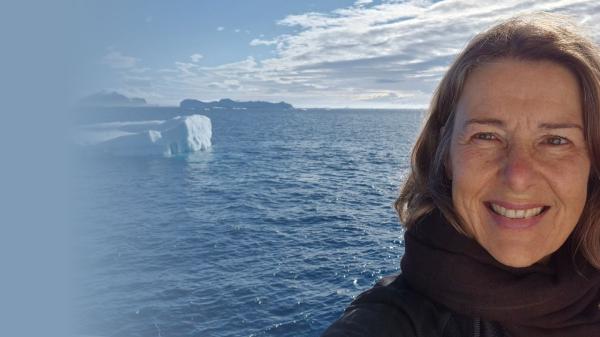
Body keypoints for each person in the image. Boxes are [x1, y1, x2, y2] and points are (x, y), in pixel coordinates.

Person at [322, 13, 600, 337]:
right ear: (446, 155)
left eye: (555, 141)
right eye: (486, 136)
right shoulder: (395, 321)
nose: (518, 177)